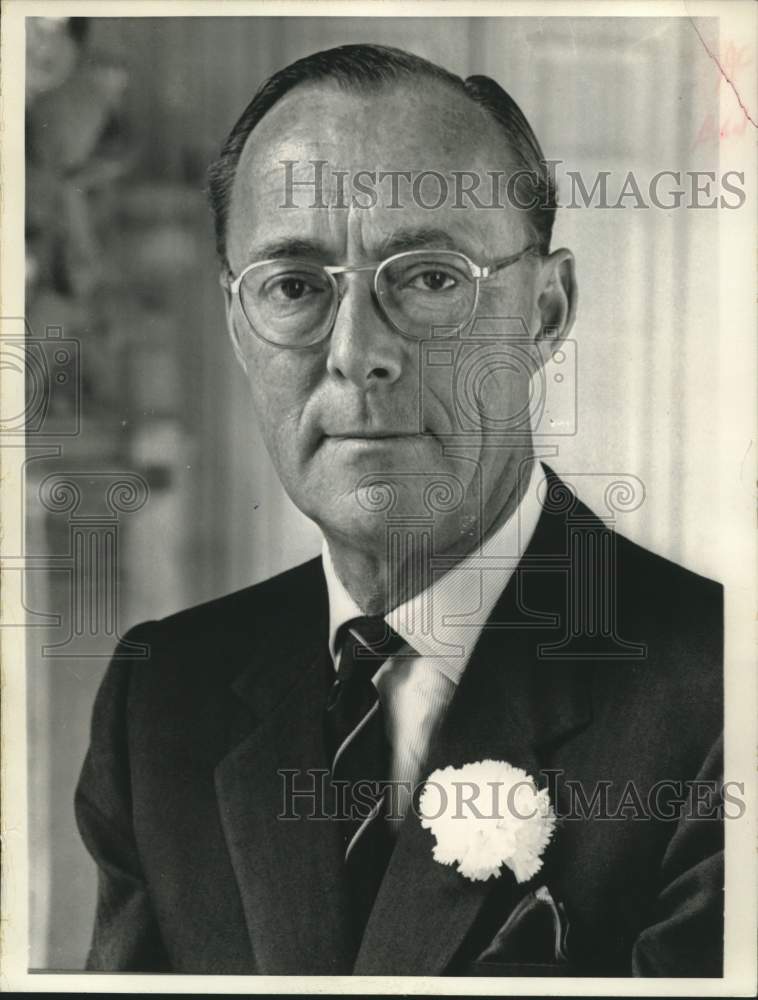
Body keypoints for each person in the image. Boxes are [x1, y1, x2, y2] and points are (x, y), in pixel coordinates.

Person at [75, 44, 723, 977]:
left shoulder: (722, 697)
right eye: (294, 287)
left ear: (546, 312)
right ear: (237, 325)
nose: (356, 354)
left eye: (429, 278)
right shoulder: (162, 700)